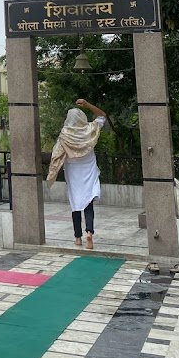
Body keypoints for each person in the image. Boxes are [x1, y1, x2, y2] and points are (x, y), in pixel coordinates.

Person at [46, 98, 107, 250]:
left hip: (73, 170)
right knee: (88, 201)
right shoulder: (90, 129)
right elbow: (103, 115)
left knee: (75, 202)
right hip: (89, 169)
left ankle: (78, 237)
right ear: (82, 117)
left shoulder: (65, 134)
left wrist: (52, 172)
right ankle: (90, 233)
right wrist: (87, 104)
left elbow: (57, 154)